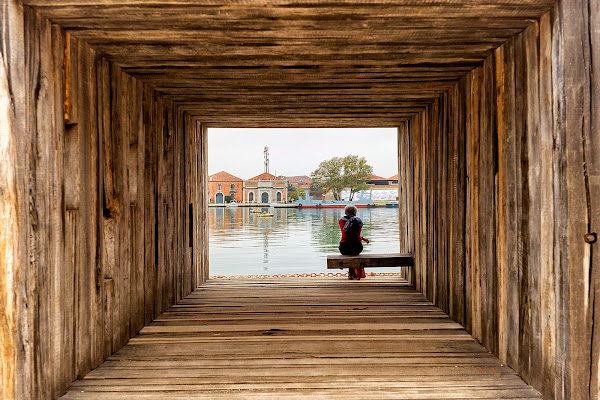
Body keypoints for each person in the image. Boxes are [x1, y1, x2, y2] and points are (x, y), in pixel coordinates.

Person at [338, 205, 370, 280]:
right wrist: (362, 238)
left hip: (344, 248)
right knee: (353, 251)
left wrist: (362, 238)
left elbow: (347, 234)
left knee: (348, 250)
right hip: (357, 247)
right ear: (355, 212)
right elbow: (355, 235)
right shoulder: (358, 221)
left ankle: (351, 274)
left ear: (345, 212)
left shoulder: (341, 221)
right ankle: (353, 274)